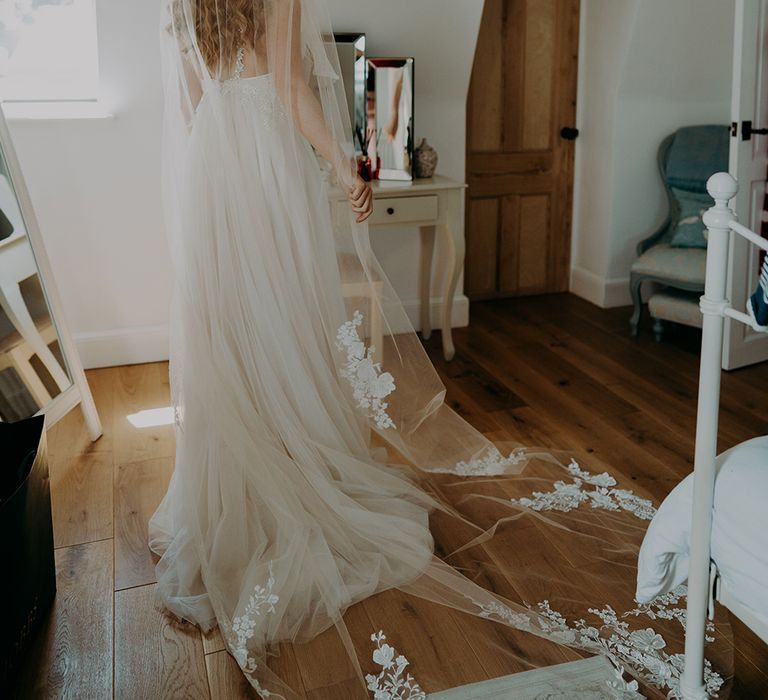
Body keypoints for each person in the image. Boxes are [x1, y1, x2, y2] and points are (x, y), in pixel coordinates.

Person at [148, 1, 732, 697]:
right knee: (284, 326)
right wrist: (343, 163)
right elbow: (289, 86)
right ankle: (292, 470)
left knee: (231, 335)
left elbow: (188, 104)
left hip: (212, 166)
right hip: (265, 166)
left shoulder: (183, 5)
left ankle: (228, 499)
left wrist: (211, 168)